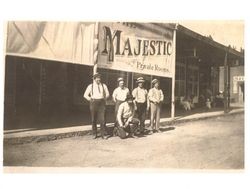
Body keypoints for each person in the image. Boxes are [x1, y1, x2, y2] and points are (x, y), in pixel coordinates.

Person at [84, 73, 110, 139]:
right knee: (93, 119)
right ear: (94, 79)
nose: (98, 79)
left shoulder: (104, 85)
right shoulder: (90, 86)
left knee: (102, 119)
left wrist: (104, 98)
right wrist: (90, 99)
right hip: (94, 103)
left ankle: (103, 134)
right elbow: (85, 95)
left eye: (99, 78)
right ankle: (94, 133)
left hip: (102, 103)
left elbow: (108, 94)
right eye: (97, 78)